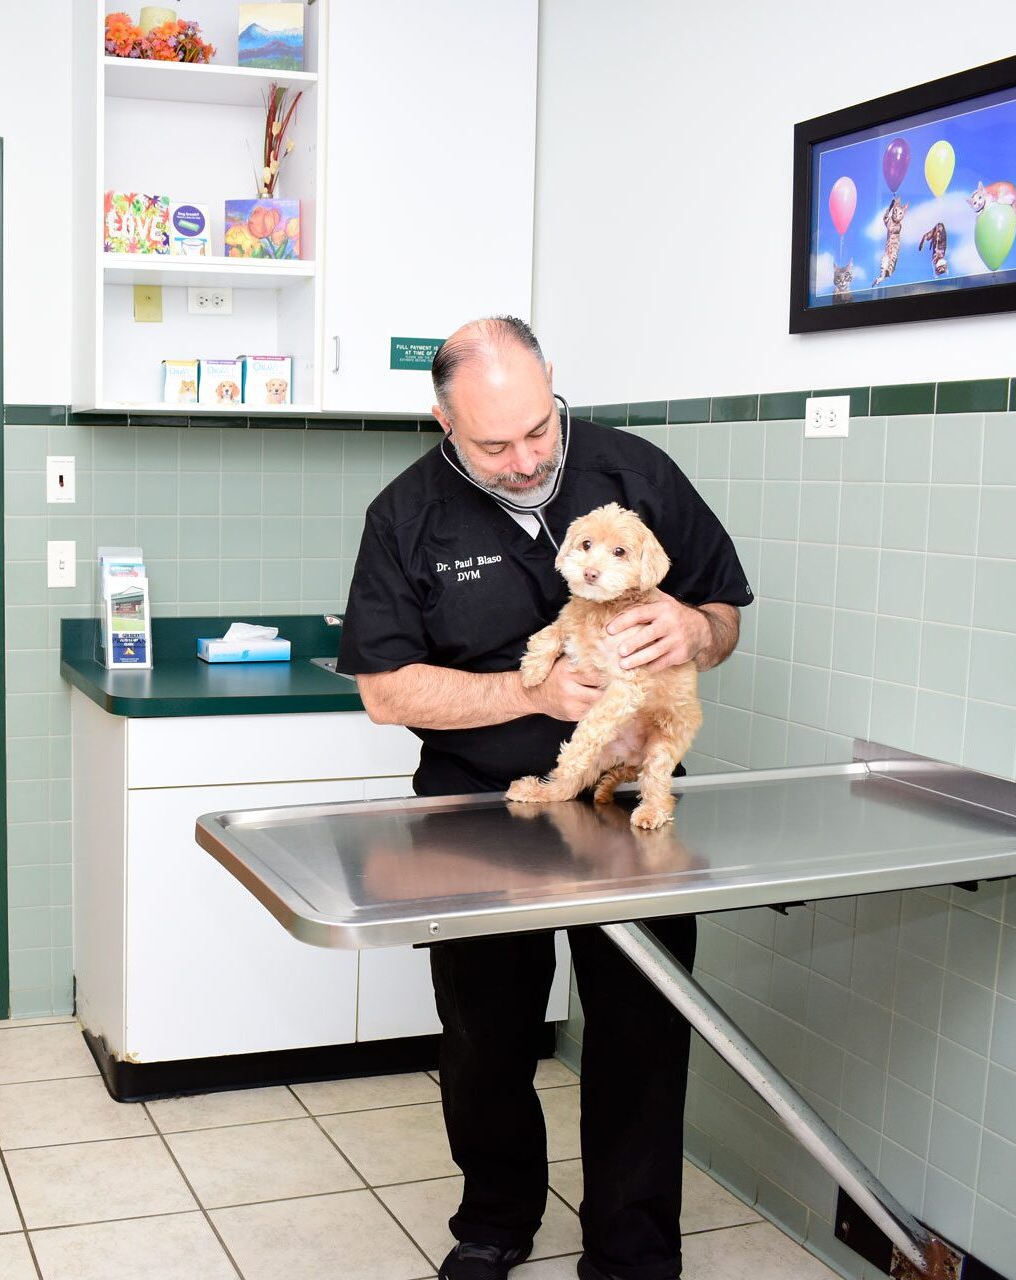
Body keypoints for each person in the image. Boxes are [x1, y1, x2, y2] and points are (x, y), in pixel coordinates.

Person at [336, 316, 751, 1280]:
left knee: (643, 1034)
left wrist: (693, 629)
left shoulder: (637, 473)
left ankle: (632, 1251)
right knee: (486, 1037)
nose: (526, 461)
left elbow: (727, 614)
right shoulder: (404, 516)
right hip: (480, 810)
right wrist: (526, 691)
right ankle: (494, 1222)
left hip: (629, 805)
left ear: (554, 386)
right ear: (442, 420)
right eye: (494, 445)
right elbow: (384, 689)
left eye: (539, 431)